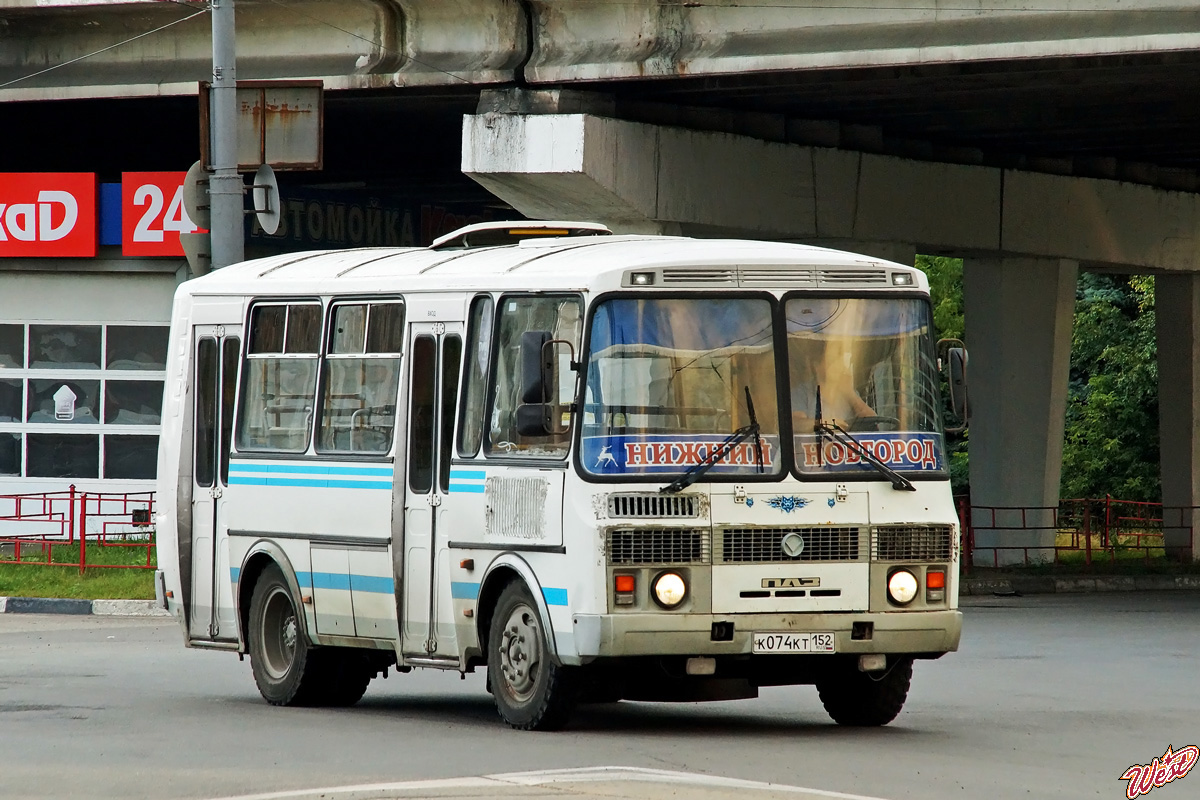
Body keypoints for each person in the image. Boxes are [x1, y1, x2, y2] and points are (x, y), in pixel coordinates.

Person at [788, 338, 873, 430]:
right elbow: (795, 424)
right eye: (833, 360)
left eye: (841, 361)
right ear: (816, 365)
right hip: (818, 444)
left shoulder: (848, 393)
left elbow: (873, 424)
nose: (840, 365)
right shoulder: (801, 393)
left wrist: (851, 394)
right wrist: (824, 424)